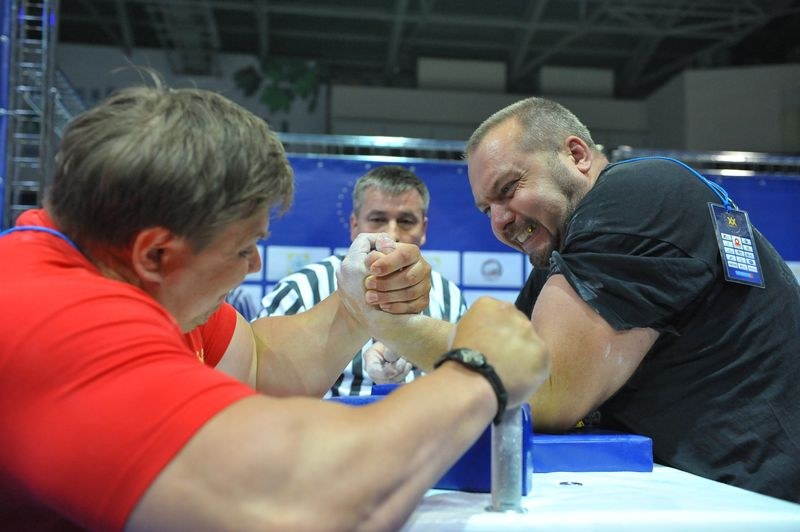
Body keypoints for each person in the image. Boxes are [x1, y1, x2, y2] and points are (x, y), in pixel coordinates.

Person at [0, 79, 550, 530]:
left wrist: (358, 308)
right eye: (244, 248)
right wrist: (478, 373)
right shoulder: (52, 319)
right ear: (157, 252)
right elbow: (306, 502)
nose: (255, 267)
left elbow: (258, 366)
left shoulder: (106, 269)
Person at [457, 97, 798, 502]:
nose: (500, 220)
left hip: (765, 505)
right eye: (486, 209)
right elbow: (511, 374)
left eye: (509, 189)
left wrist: (403, 325)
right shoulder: (564, 251)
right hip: (712, 495)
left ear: (577, 155)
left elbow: (544, 395)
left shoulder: (635, 195)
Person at [260, 165, 467, 396]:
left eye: (406, 221)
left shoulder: (450, 297)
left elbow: (466, 384)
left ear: (424, 229)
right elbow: (256, 386)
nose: (392, 234)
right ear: (354, 225)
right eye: (377, 219)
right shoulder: (298, 290)